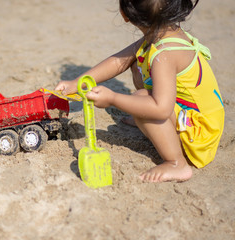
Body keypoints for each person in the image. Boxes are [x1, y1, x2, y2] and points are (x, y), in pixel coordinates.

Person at [55, 0, 225, 182]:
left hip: (199, 132)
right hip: (193, 112)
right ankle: (152, 122)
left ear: (124, 14)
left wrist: (112, 98)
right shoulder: (163, 32)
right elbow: (119, 61)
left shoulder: (164, 54)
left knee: (142, 99)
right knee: (137, 63)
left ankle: (176, 163)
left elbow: (161, 108)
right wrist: (77, 83)